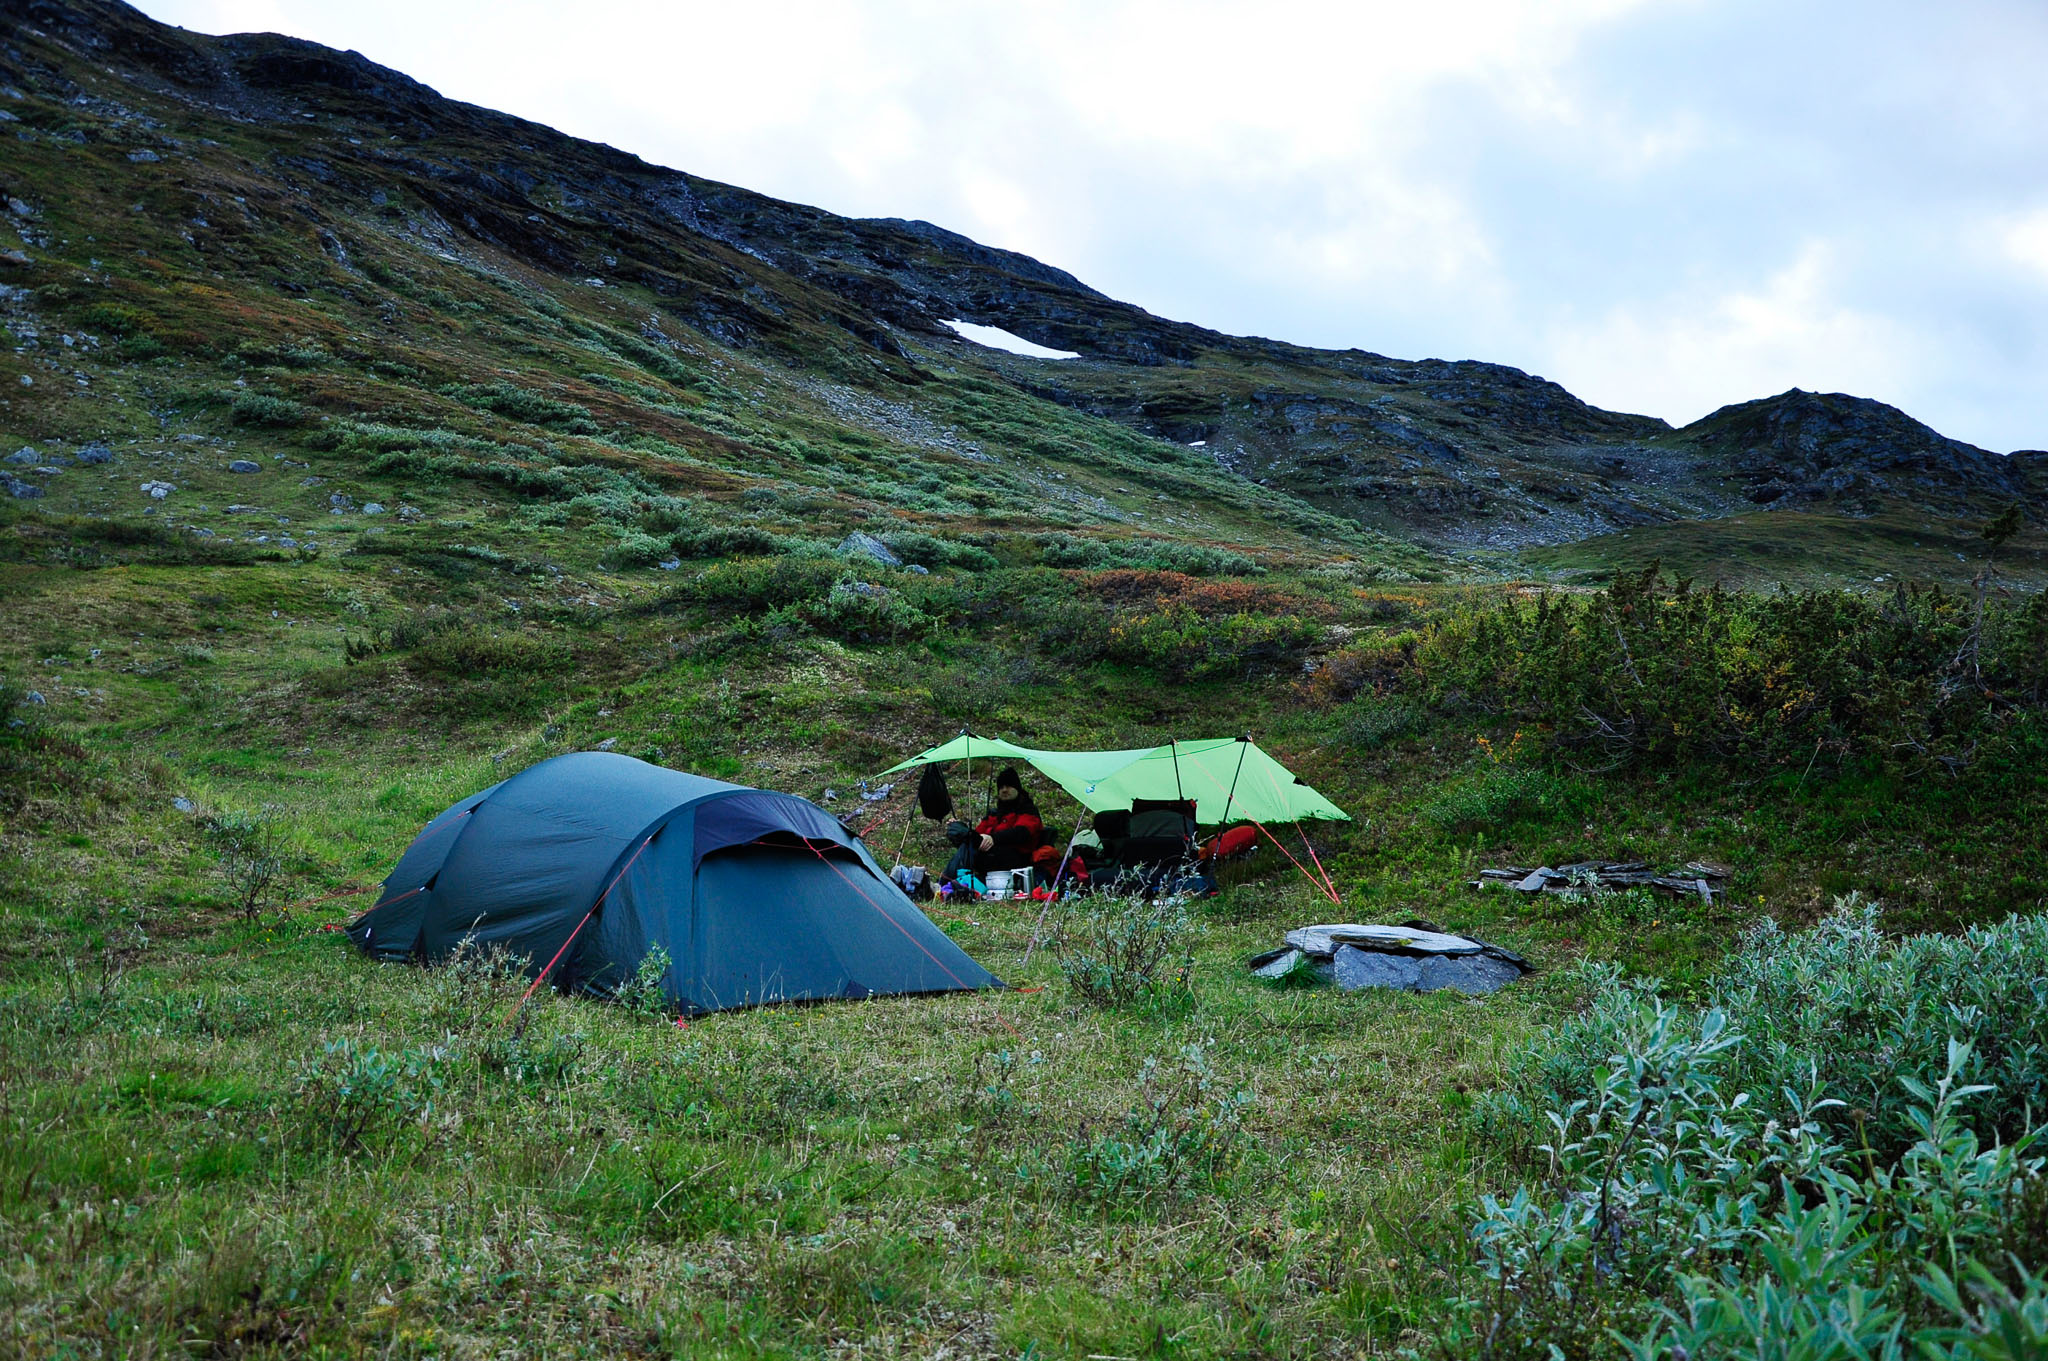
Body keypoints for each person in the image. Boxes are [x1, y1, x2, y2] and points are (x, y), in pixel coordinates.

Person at [941, 766, 1044, 887]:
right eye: (1001, 787)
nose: (1004, 790)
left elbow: (1022, 833)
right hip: (989, 856)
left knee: (969, 842)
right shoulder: (994, 813)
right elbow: (978, 835)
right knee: (965, 840)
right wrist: (963, 828)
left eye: (1009, 786)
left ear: (1017, 788)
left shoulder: (1027, 810)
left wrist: (992, 838)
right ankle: (950, 882)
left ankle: (945, 883)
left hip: (1015, 859)